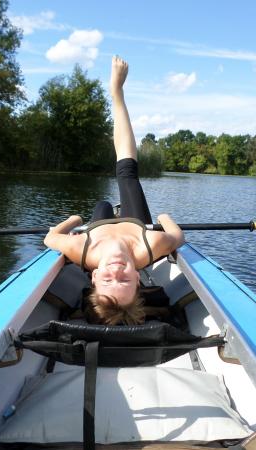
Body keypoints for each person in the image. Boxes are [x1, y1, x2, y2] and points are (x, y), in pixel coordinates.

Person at [44, 56, 185, 325]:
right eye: (125, 279)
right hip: (136, 227)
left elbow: (50, 238)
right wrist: (164, 219)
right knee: (127, 176)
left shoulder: (81, 249)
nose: (116, 271)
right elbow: (177, 237)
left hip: (97, 231)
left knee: (102, 206)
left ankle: (107, 211)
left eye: (108, 279)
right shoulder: (150, 247)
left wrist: (75, 221)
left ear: (94, 276)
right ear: (138, 277)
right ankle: (117, 93)